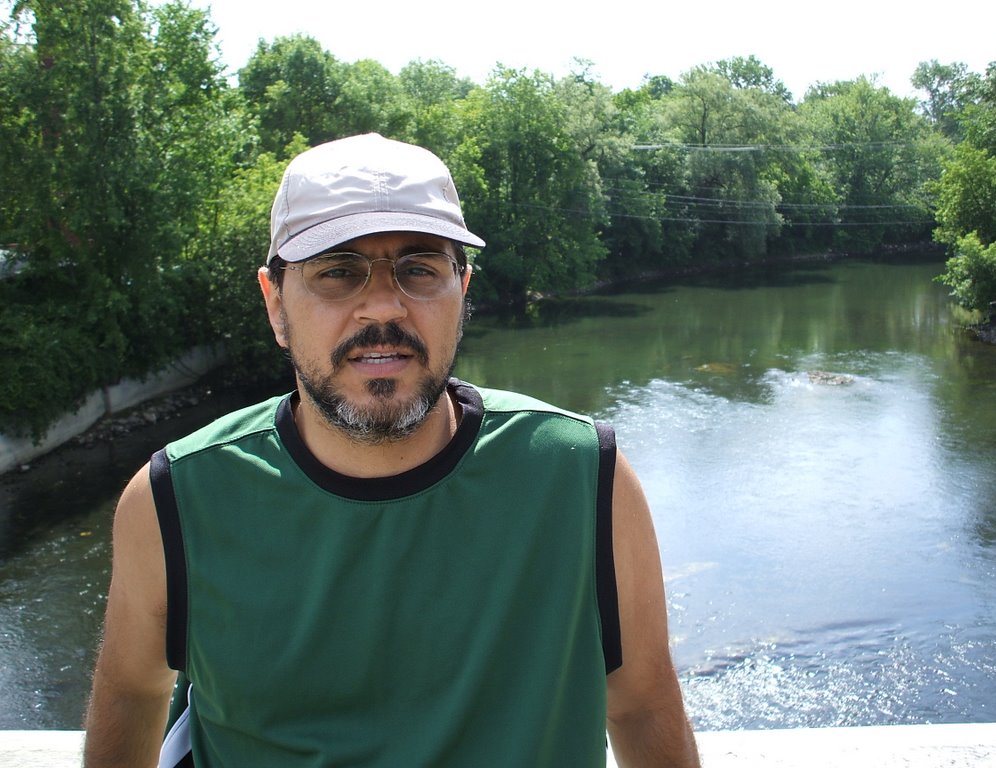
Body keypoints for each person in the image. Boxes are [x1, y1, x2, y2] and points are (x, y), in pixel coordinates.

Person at [83, 133, 701, 767]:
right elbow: (133, 693)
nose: (381, 305)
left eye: (419, 269)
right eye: (336, 272)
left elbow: (642, 704)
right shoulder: (178, 497)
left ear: (461, 290)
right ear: (276, 305)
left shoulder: (580, 475)